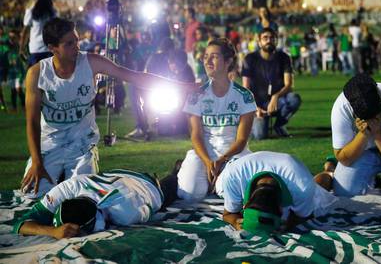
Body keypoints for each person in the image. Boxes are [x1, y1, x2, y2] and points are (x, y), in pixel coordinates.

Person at [21, 18, 196, 198]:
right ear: (52, 48)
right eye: (69, 44)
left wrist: (185, 86)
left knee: (84, 200)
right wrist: (36, 161)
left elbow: (136, 77)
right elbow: (32, 122)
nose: (76, 47)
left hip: (82, 145)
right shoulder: (37, 74)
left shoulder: (92, 62)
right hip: (50, 145)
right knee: (32, 196)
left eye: (77, 40)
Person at [176, 38, 256, 201]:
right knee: (189, 193)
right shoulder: (196, 95)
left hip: (234, 155)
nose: (207, 61)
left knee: (231, 192)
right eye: (206, 56)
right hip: (203, 153)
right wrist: (207, 162)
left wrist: (222, 160)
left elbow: (241, 140)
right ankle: (185, 172)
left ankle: (219, 182)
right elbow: (196, 136)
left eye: (214, 56)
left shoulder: (244, 96)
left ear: (228, 62)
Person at [13, 166, 181, 239]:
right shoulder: (69, 187)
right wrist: (52, 231)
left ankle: (176, 174)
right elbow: (20, 225)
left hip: (149, 186)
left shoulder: (126, 215)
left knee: (174, 192)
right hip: (119, 175)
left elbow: (153, 205)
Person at [218, 151, 336, 234]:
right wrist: (234, 221)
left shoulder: (303, 186)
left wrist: (291, 223)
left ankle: (329, 169)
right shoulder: (233, 177)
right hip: (236, 163)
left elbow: (304, 216)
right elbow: (228, 214)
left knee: (320, 192)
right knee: (218, 188)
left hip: (295, 174)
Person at [242, 27, 301, 139]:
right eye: (265, 38)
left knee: (294, 98)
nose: (269, 40)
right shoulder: (250, 59)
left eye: (272, 38)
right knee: (260, 136)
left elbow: (289, 85)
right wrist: (254, 108)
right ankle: (251, 124)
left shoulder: (284, 57)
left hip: (278, 102)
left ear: (276, 41)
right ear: (259, 42)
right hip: (257, 104)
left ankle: (280, 125)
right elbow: (246, 89)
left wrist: (275, 96)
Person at [20, 0, 57, 67]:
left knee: (36, 76)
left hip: (37, 49)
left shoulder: (31, 12)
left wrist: (21, 49)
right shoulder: (52, 13)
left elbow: (25, 32)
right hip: (47, 49)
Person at [183, 7, 201, 81]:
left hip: (195, 52)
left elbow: (200, 37)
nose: (184, 14)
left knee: (197, 73)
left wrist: (197, 47)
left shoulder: (197, 24)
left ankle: (199, 90)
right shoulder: (187, 25)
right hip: (187, 51)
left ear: (190, 14)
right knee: (190, 72)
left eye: (186, 12)